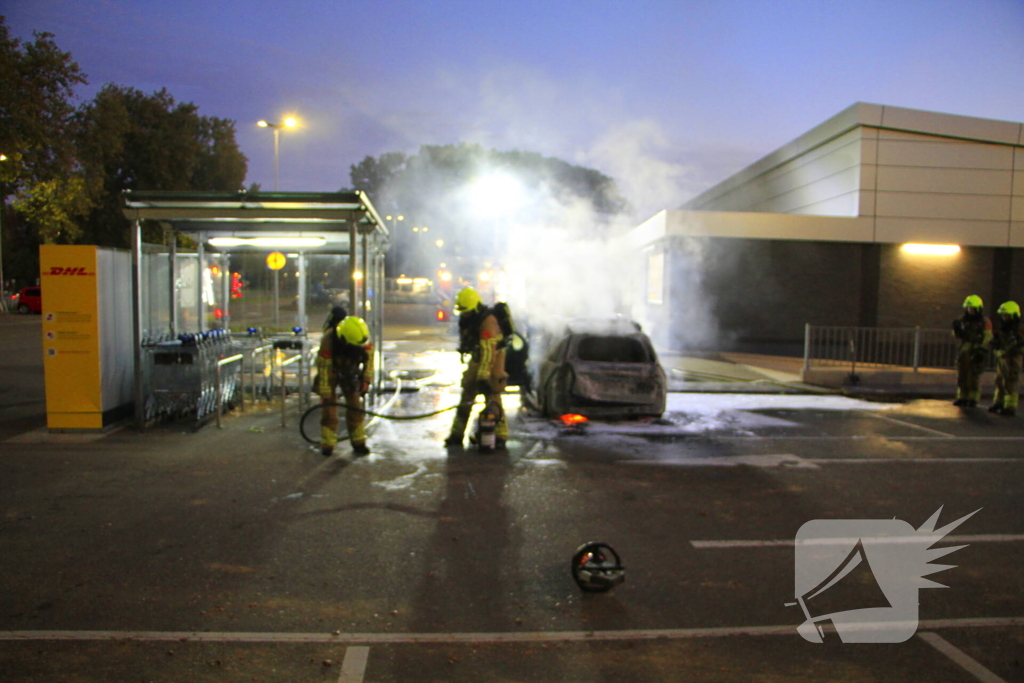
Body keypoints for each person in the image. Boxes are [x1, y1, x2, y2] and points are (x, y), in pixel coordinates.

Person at [445, 287, 509, 448]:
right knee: (467, 394)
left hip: (495, 355)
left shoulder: (488, 321)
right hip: (478, 354)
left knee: (493, 395)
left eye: (466, 311)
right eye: (462, 312)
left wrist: (483, 376)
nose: (464, 315)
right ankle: (456, 435)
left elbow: (489, 351)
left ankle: (500, 436)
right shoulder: (469, 317)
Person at [315, 315, 374, 456]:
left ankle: (359, 442)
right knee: (329, 408)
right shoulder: (328, 341)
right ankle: (328, 444)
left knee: (355, 405)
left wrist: (366, 380)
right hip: (332, 369)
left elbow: (369, 359)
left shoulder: (361, 337)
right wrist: (325, 393)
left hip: (350, 369)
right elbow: (324, 370)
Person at [951, 294, 992, 407]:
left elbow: (987, 336)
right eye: (969, 308)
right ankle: (962, 396)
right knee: (962, 375)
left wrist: (981, 350)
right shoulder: (962, 319)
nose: (970, 311)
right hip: (964, 350)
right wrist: (956, 330)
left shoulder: (984, 321)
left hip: (975, 350)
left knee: (973, 376)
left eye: (973, 308)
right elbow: (957, 336)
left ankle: (972, 398)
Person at [988, 301, 1022, 416]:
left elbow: (1020, 346)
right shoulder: (1003, 329)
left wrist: (1014, 346)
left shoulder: (1019, 331)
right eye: (1003, 316)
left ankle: (1010, 406)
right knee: (999, 380)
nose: (1004, 318)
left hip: (1013, 359)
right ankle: (999, 402)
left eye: (1006, 315)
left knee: (1010, 381)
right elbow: (997, 341)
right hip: (1002, 358)